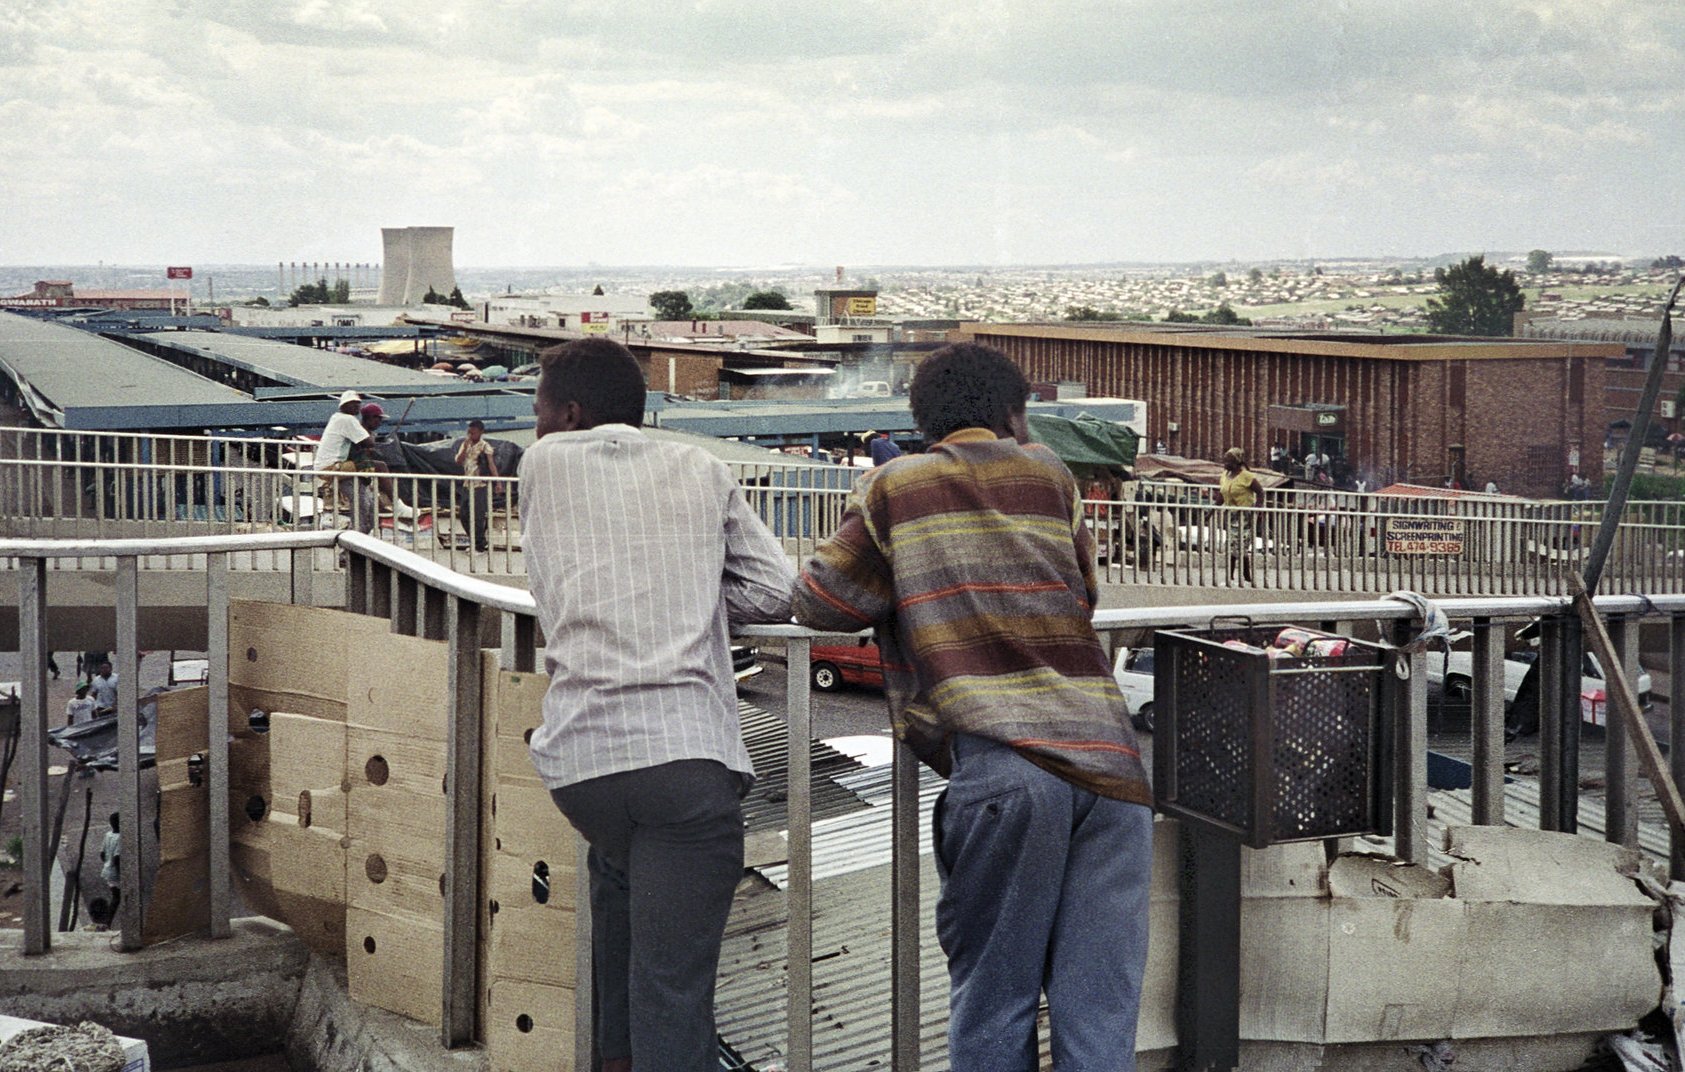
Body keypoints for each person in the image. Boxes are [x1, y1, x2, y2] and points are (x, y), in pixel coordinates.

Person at [792, 342, 1153, 1071]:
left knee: (995, 1000)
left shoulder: (896, 485)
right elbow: (1084, 593)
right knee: (1099, 1013)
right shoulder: (1049, 473)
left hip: (1005, 772)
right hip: (1112, 770)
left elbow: (821, 601)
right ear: (1013, 415)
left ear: (921, 419)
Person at [520, 337, 795, 1072]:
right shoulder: (702, 468)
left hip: (581, 766)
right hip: (682, 765)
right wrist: (692, 601)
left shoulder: (539, 464)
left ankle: (610, 1059)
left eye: (539, 410)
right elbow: (774, 591)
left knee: (620, 900)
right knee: (672, 991)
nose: (536, 425)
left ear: (569, 412)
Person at [314, 390, 379, 533]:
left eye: (358, 404)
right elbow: (369, 443)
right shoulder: (348, 420)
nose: (356, 407)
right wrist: (369, 429)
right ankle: (396, 504)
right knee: (370, 465)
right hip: (331, 468)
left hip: (329, 467)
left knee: (362, 497)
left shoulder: (336, 417)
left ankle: (359, 527)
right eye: (352, 404)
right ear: (344, 406)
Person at [1219, 446, 1264, 584]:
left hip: (1245, 517)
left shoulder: (1247, 476)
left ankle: (1245, 575)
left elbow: (1260, 493)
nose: (1225, 464)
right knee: (1232, 545)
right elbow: (1222, 495)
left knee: (1241, 545)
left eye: (1228, 461)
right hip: (1230, 515)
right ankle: (1233, 575)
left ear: (1236, 462)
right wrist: (1210, 512)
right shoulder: (1225, 475)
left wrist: (1257, 509)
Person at [454, 419, 500, 552]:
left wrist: (498, 482)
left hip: (480, 484)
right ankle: (476, 541)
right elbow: (458, 461)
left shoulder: (485, 446)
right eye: (469, 433)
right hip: (467, 483)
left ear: (480, 432)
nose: (470, 435)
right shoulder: (465, 444)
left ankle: (479, 546)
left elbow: (491, 465)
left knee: (478, 515)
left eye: (473, 433)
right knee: (464, 514)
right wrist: (465, 447)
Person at [99, 811, 121, 926]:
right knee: (117, 898)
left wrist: (108, 862)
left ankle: (107, 922)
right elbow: (117, 858)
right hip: (115, 873)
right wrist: (121, 874)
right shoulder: (120, 838)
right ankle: (107, 923)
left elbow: (102, 853)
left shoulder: (108, 835)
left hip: (107, 871)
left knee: (116, 897)